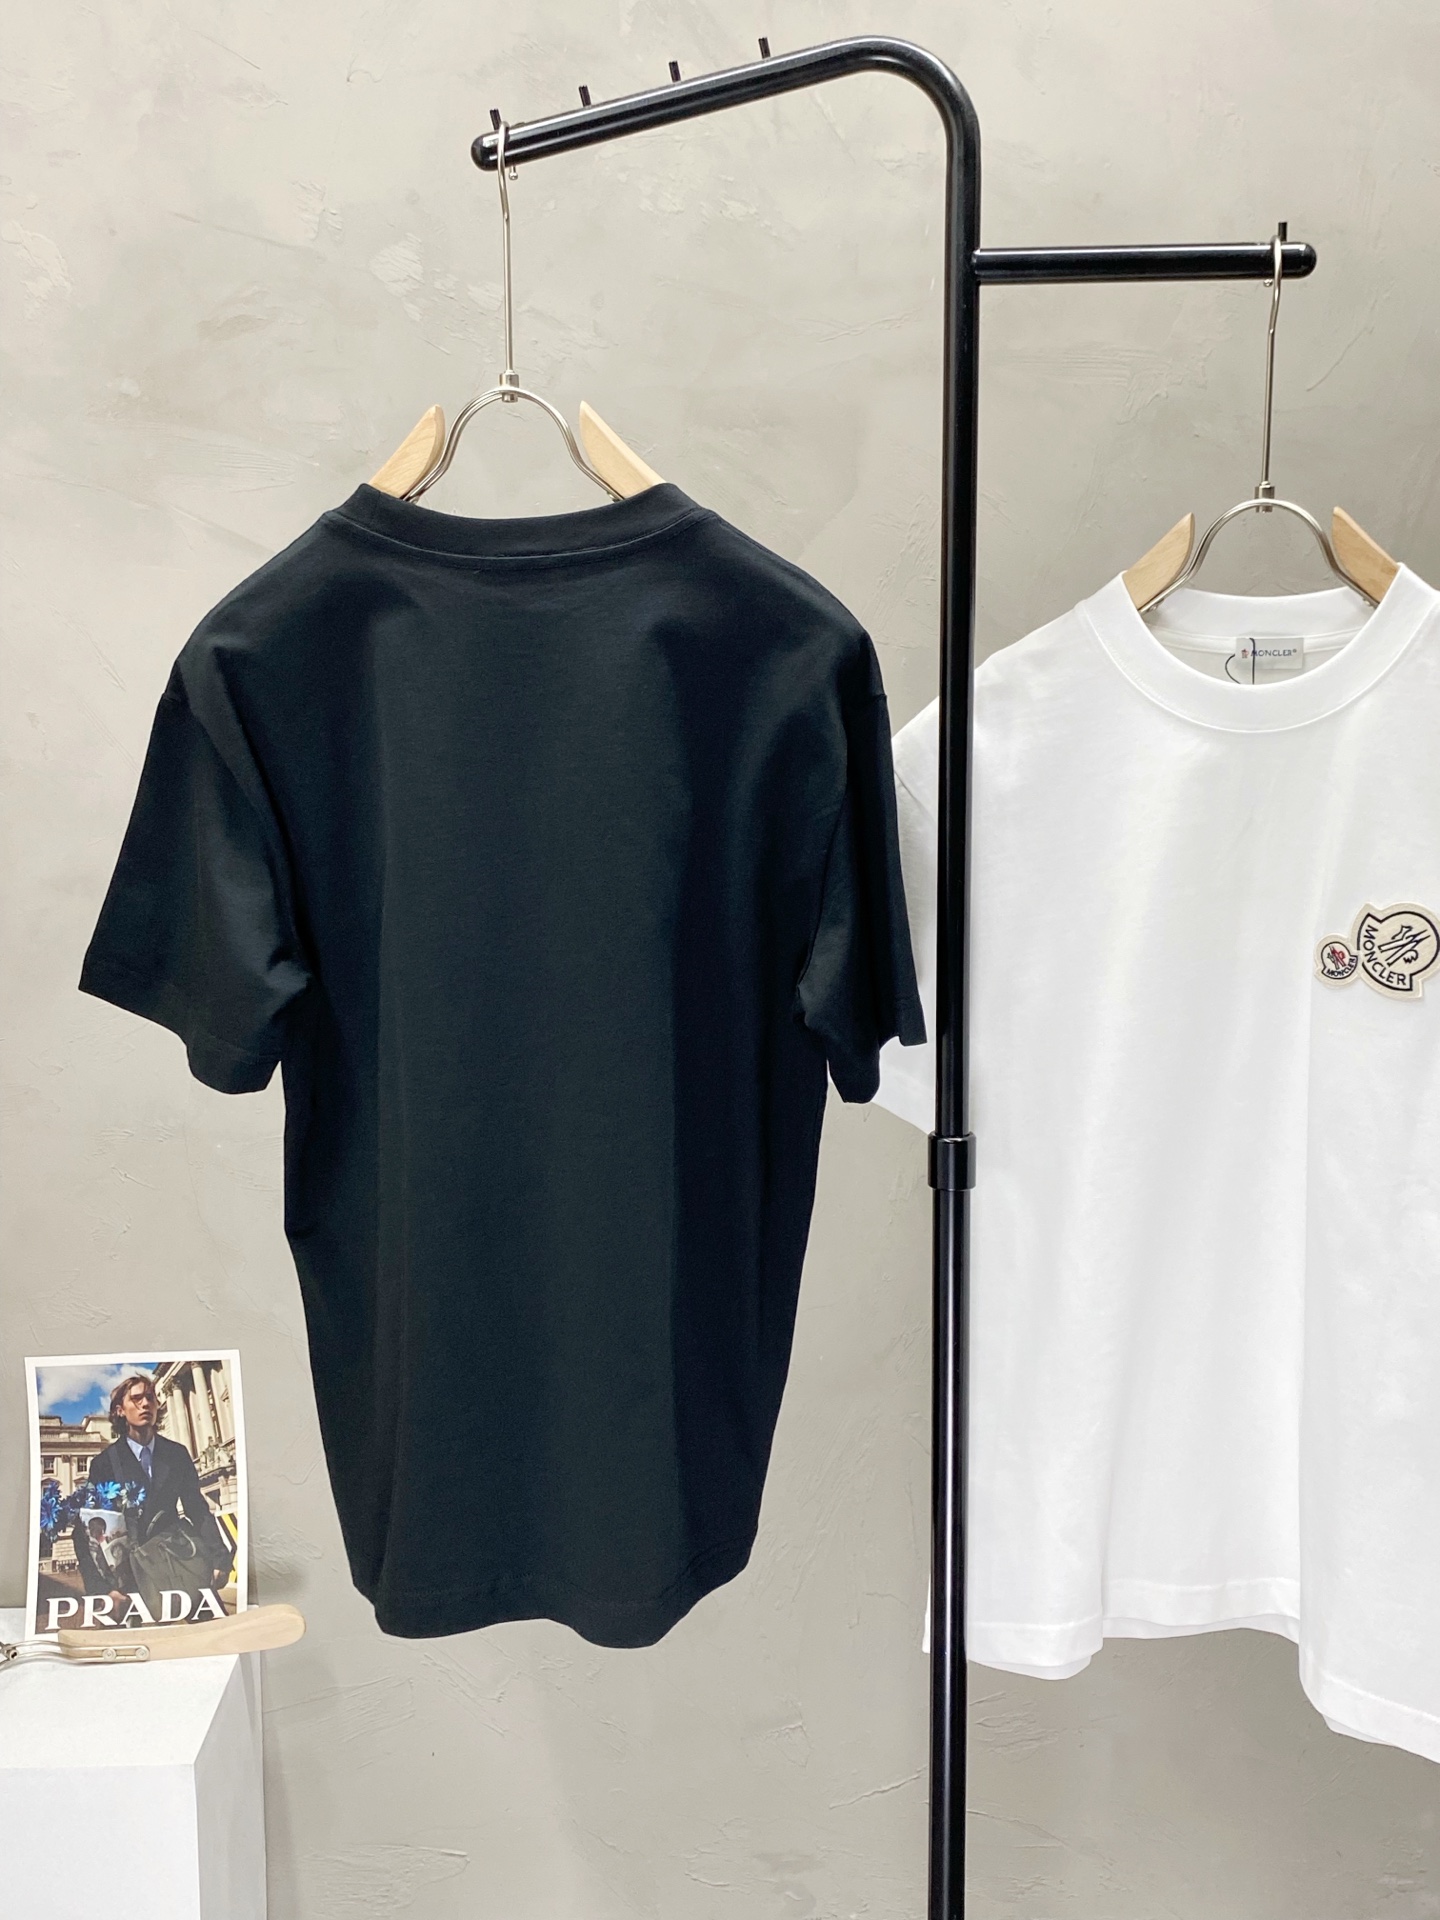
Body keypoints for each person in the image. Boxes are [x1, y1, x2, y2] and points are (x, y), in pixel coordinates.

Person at [79, 1373, 233, 1603]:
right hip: (132, 1576)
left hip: (180, 1560)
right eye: (136, 1399)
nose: (145, 1404)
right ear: (120, 1410)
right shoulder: (105, 1463)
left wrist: (220, 1559)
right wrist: (101, 1589)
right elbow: (87, 1529)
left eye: (150, 1397)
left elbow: (197, 1509)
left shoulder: (177, 1453)